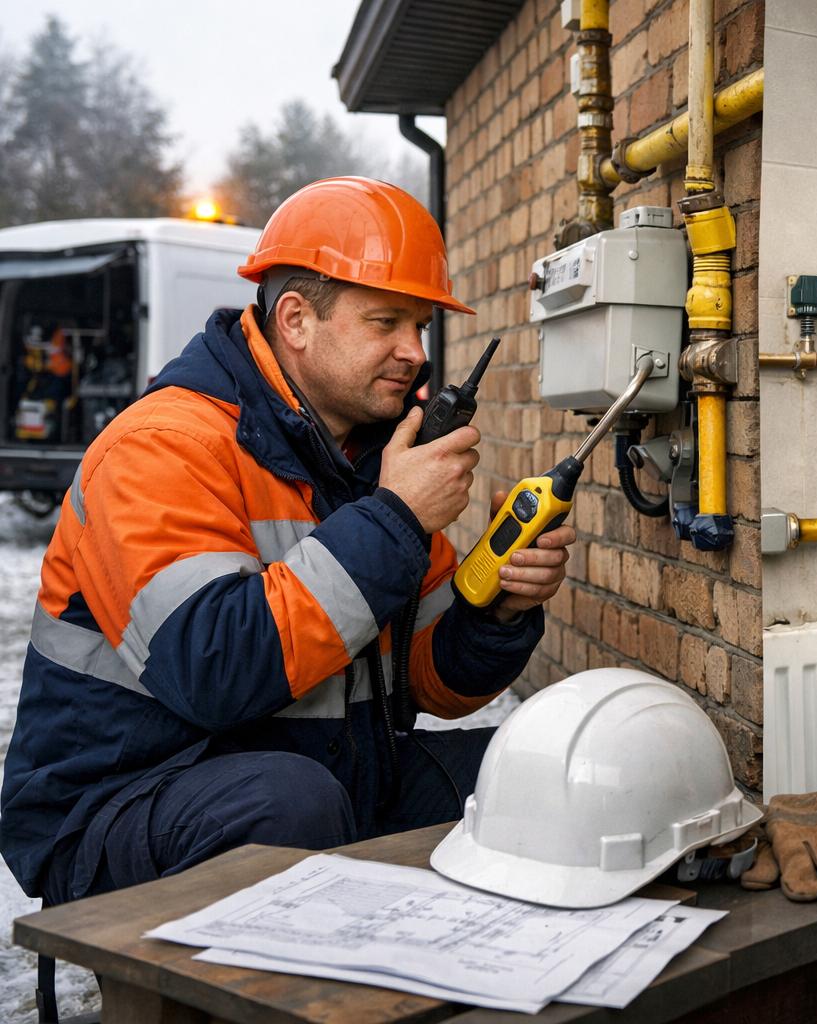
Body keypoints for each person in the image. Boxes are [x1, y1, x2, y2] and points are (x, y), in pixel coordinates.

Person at [1, 177, 575, 907]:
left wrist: (499, 609)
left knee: (535, 773)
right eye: (386, 322)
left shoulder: (368, 458)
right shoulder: (162, 446)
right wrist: (396, 519)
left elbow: (430, 680)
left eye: (421, 326)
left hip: (322, 771)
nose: (414, 352)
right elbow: (213, 671)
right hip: (122, 801)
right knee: (289, 804)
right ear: (297, 320)